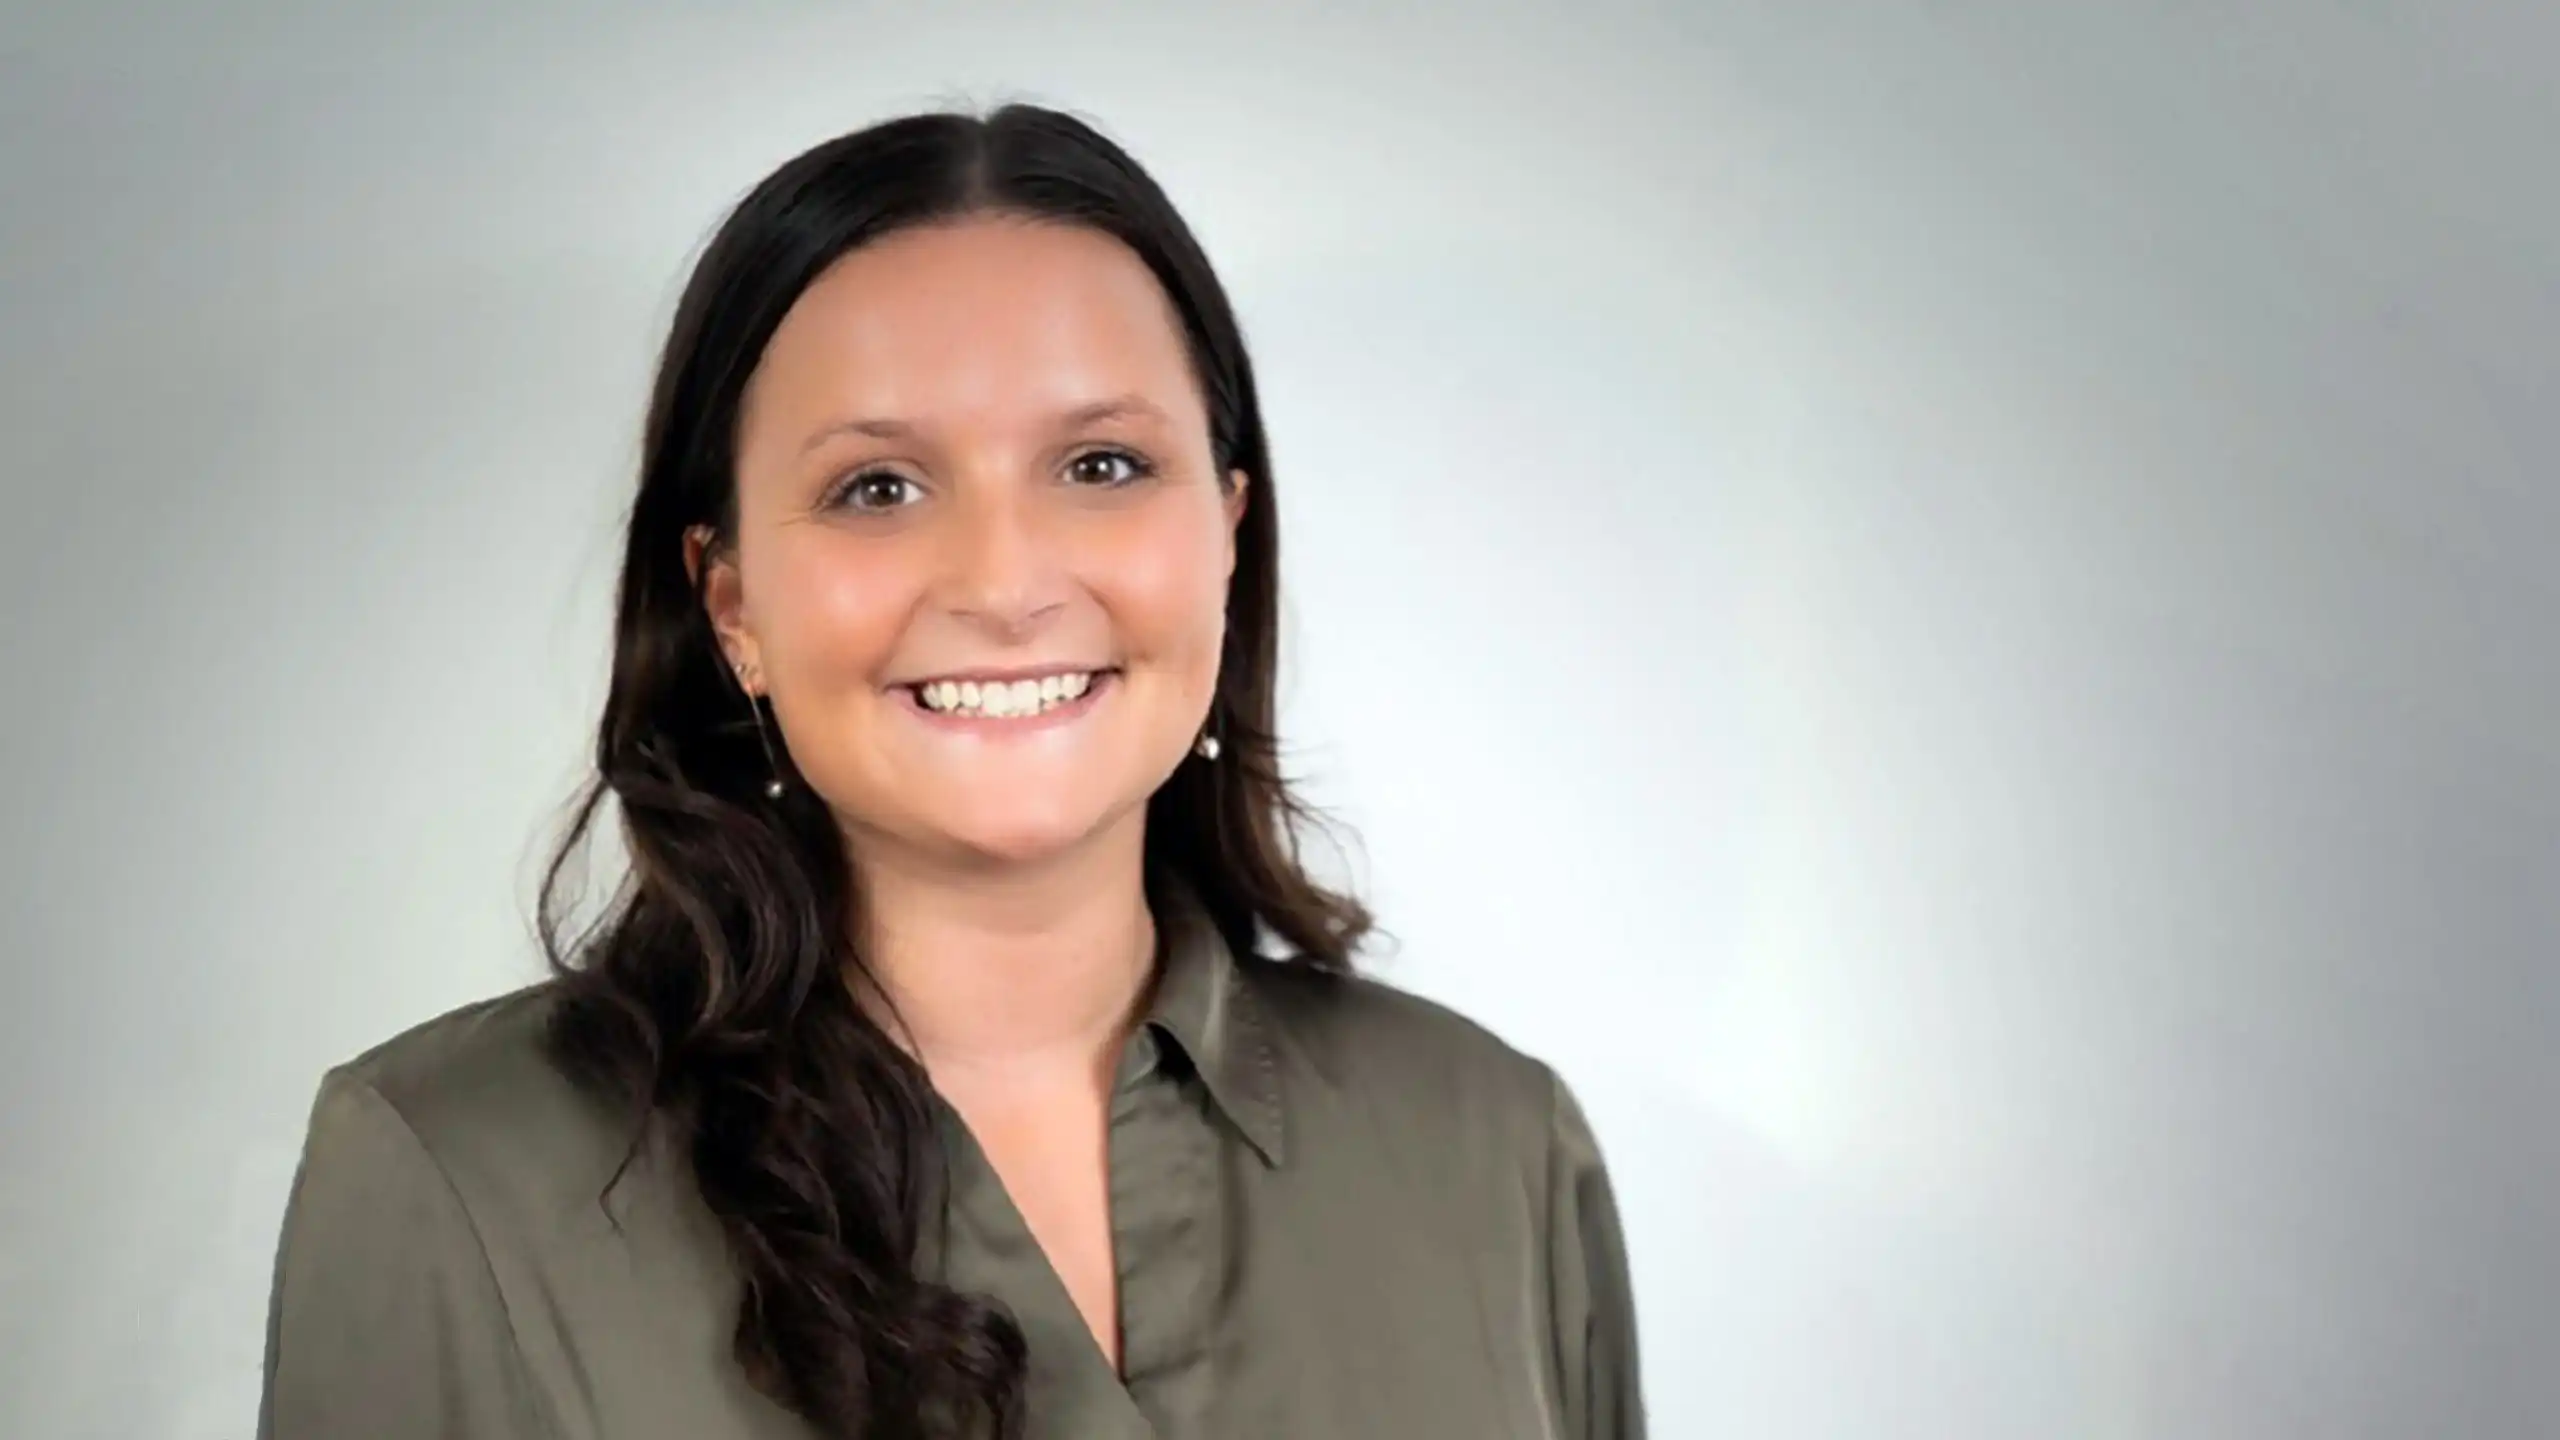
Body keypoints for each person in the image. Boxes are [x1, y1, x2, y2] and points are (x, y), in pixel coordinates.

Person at [256, 102, 1644, 1439]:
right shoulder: (457, 1175)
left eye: (1101, 463)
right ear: (731, 602)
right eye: (879, 488)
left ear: (1228, 534)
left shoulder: (1498, 1150)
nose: (1003, 581)